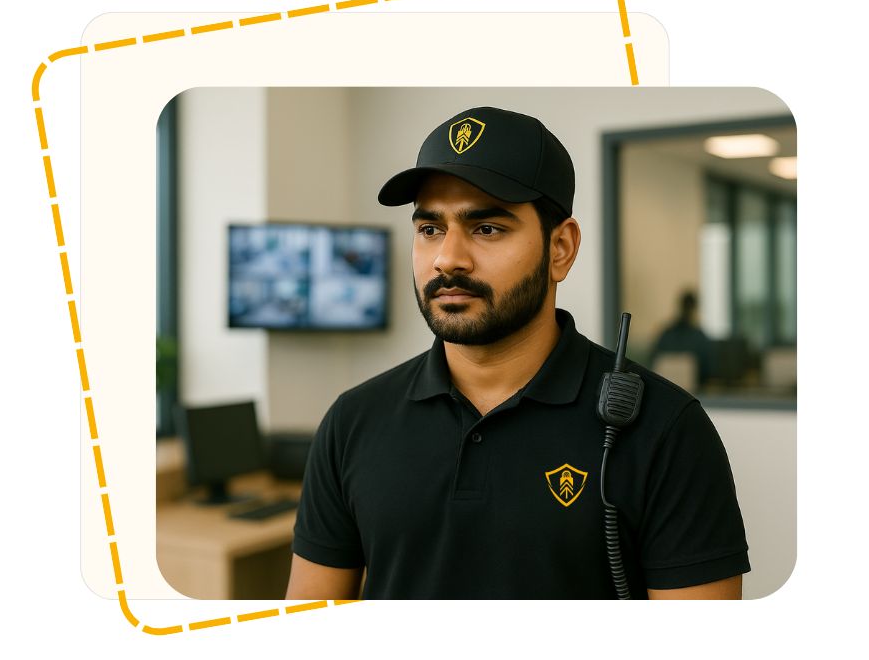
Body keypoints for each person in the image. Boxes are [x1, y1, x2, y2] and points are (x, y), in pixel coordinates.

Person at [285, 106, 749, 600]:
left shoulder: (665, 429)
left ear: (561, 249)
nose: (448, 258)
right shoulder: (353, 420)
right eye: (430, 229)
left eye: (487, 228)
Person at [650, 290, 716, 388]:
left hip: (664, 390)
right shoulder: (698, 337)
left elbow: (652, 363)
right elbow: (708, 371)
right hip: (693, 393)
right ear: (695, 309)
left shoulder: (666, 335)